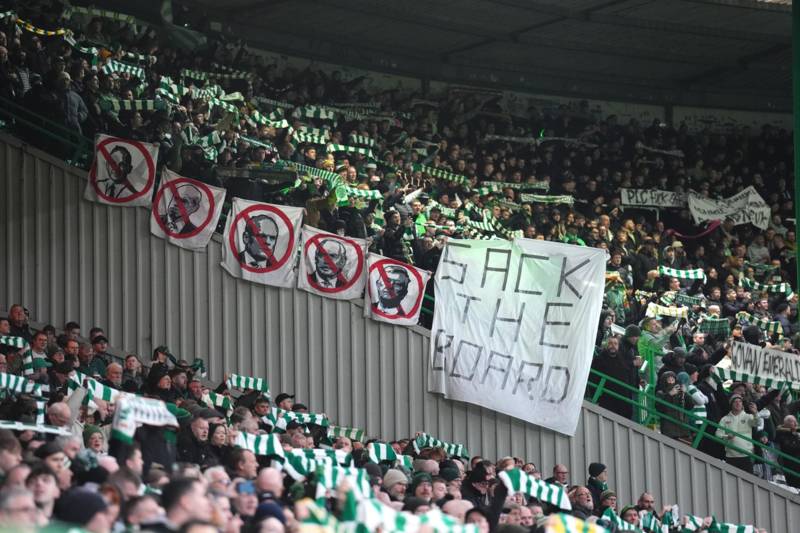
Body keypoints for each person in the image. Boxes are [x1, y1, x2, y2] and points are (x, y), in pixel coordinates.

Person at [716, 395, 760, 473]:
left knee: (748, 481)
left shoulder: (748, 416)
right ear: (731, 404)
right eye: (735, 402)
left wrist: (755, 413)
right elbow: (718, 434)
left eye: (740, 402)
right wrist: (726, 436)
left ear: (742, 404)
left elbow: (757, 423)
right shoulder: (725, 419)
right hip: (730, 456)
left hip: (746, 455)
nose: (738, 403)